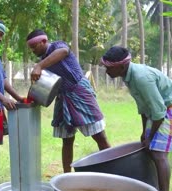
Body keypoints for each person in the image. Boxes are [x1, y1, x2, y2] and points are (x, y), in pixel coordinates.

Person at [100, 46, 172, 191]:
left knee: (158, 153)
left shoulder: (141, 78)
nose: (106, 70)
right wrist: (144, 133)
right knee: (147, 149)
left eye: (108, 67)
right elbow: (143, 106)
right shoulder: (128, 76)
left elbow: (158, 111)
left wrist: (150, 136)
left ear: (121, 66)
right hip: (159, 110)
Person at [26, 29, 111, 173]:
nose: (33, 50)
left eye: (34, 46)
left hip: (79, 92)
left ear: (44, 41)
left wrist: (39, 66)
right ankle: (67, 176)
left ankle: (114, 169)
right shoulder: (43, 62)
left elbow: (64, 52)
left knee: (99, 135)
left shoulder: (58, 46)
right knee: (67, 139)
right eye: (31, 48)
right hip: (63, 97)